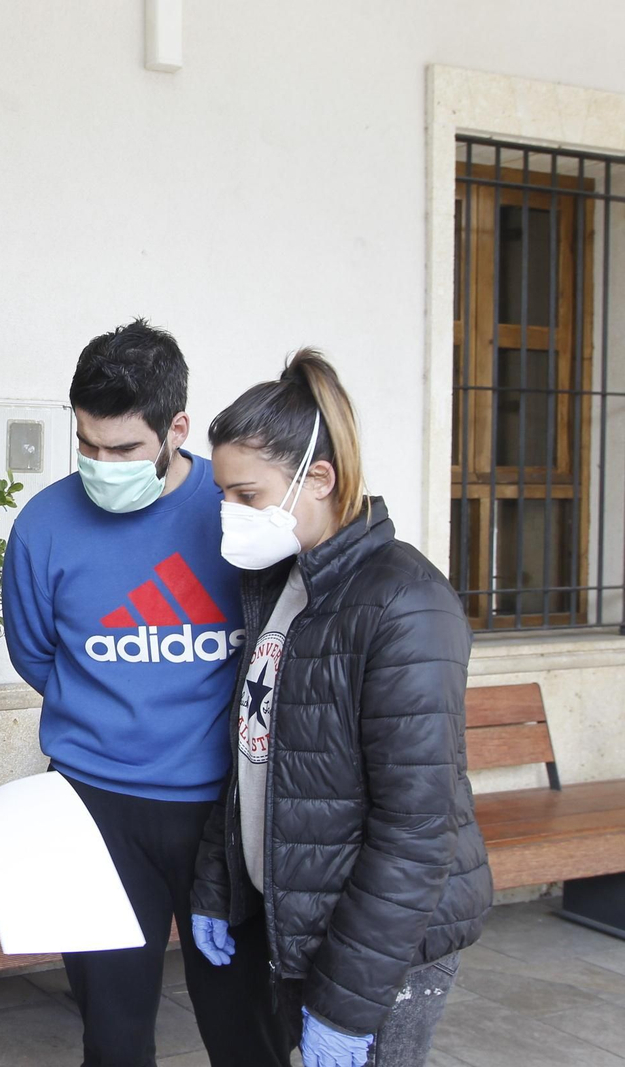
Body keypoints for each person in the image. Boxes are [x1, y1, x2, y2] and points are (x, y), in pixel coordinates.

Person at [191, 350, 492, 1067]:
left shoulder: (405, 603)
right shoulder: (282, 582)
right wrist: (217, 881)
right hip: (299, 916)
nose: (230, 515)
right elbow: (253, 751)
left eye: (248, 494)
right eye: (223, 495)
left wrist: (347, 1004)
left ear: (318, 478)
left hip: (378, 951)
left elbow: (415, 832)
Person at [2, 319, 286, 1067]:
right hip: (94, 808)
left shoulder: (235, 515)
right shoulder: (43, 527)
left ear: (176, 427)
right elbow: (37, 654)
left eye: (124, 448)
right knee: (112, 1033)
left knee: (242, 1025)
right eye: (88, 445)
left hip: (222, 813)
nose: (103, 464)